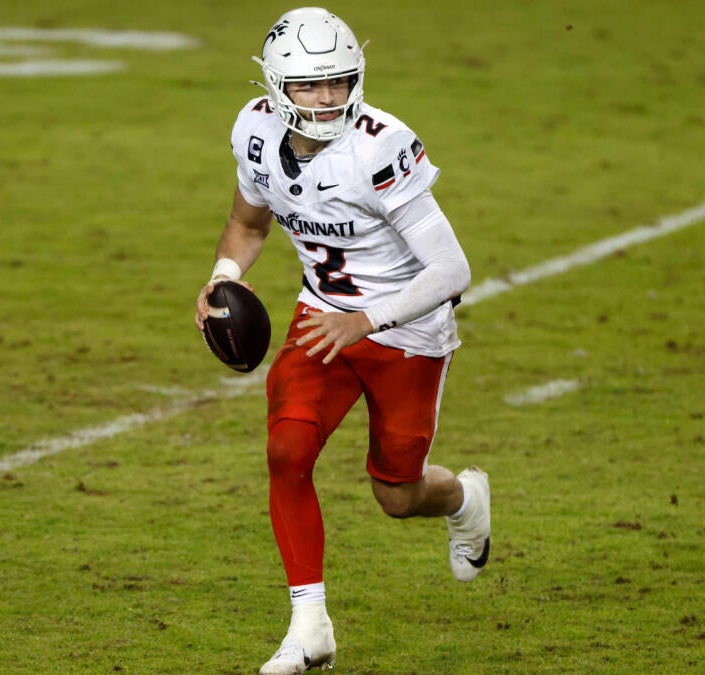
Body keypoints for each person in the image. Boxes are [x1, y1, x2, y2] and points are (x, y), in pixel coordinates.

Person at [194, 7, 491, 673]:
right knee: (286, 448)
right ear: (275, 86)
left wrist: (368, 319)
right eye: (310, 85)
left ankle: (465, 497)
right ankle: (310, 626)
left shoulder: (380, 144)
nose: (327, 99)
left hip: (406, 329)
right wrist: (221, 278)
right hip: (323, 317)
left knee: (397, 492)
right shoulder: (254, 131)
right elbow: (247, 223)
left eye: (339, 81)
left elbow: (452, 269)